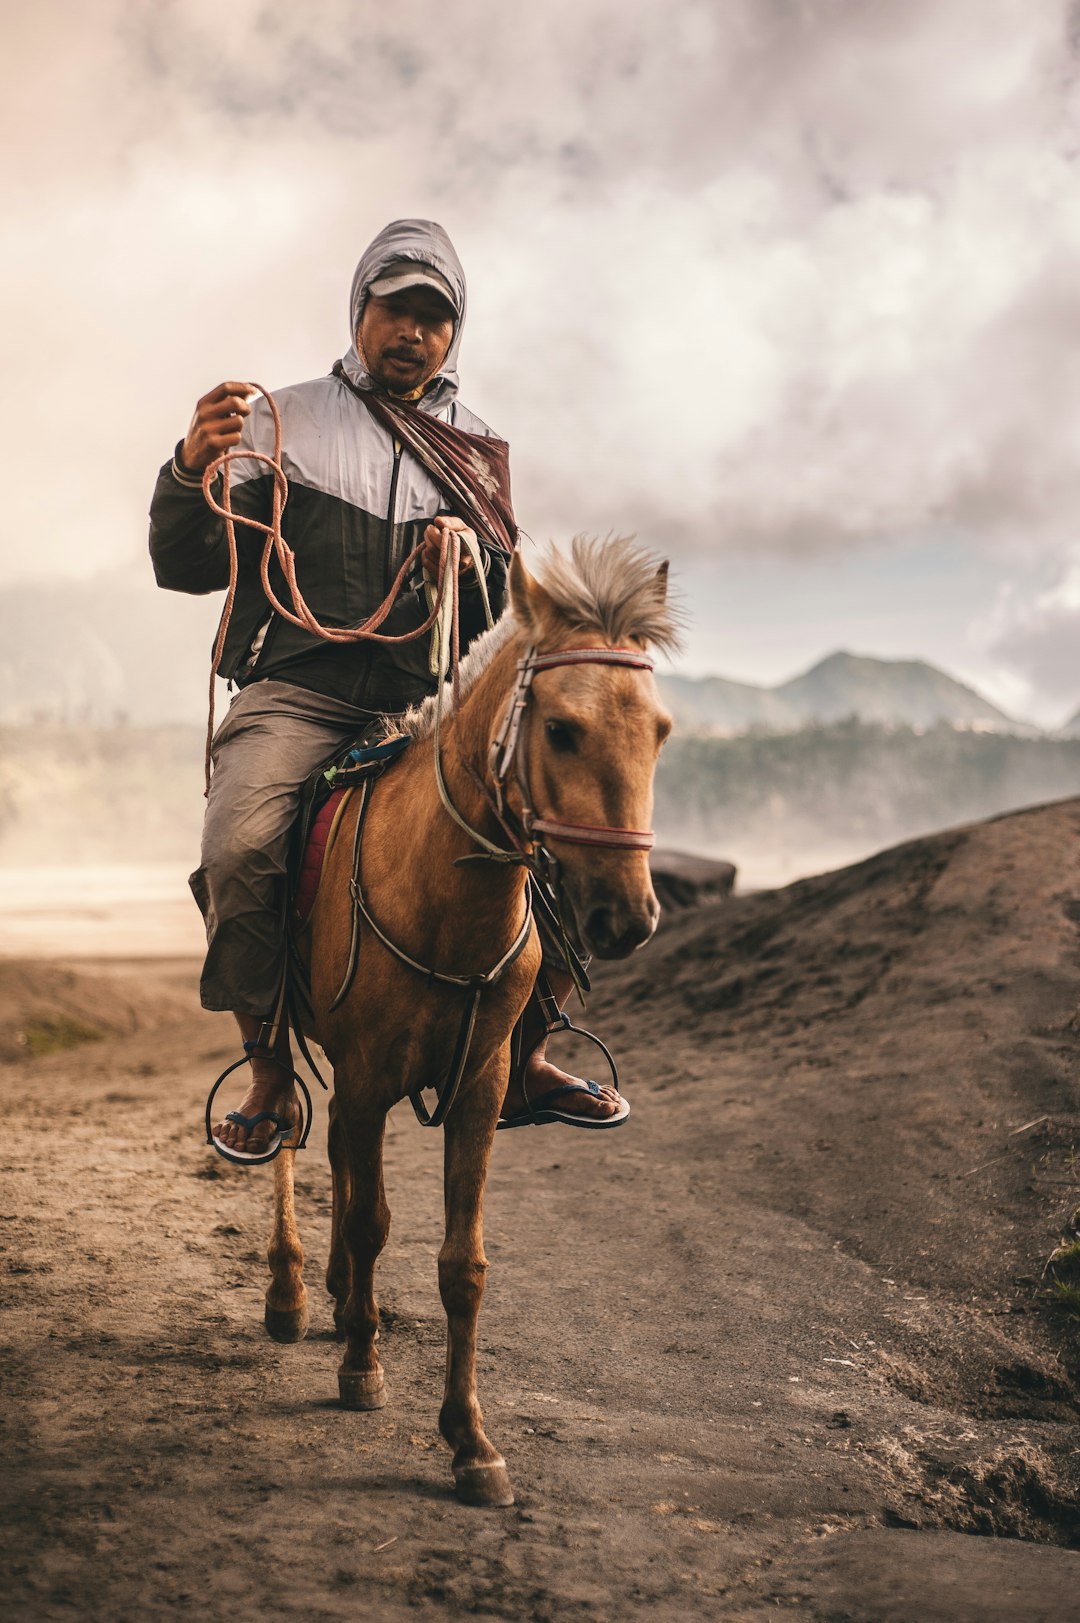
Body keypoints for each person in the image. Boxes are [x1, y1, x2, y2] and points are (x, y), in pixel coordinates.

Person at [149, 218, 626, 1159]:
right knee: (242, 845)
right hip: (298, 694)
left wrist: (468, 561)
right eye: (393, 308)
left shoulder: (479, 449)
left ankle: (524, 1047)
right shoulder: (277, 421)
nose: (411, 330)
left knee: (567, 838)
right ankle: (271, 1065)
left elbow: (502, 612)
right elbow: (186, 562)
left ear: (455, 333)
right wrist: (190, 465)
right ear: (359, 310)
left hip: (425, 709)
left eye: (432, 316)